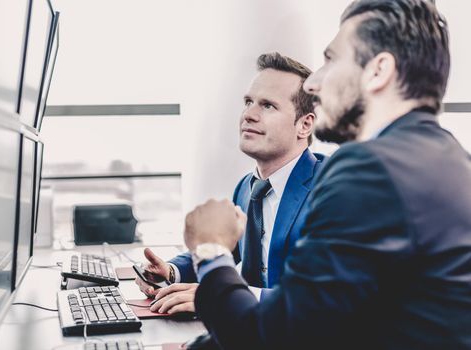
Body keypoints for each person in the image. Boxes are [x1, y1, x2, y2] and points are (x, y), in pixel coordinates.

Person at [184, 0, 471, 349]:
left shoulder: (368, 169)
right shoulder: (453, 160)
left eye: (331, 59)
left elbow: (267, 338)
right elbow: (336, 319)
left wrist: (211, 251)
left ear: (378, 71)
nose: (313, 83)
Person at [135, 53, 326, 314]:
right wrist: (171, 271)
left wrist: (218, 295)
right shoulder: (247, 188)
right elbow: (227, 251)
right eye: (248, 102)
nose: (249, 114)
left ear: (304, 125)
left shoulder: (330, 189)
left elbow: (324, 300)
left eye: (267, 105)